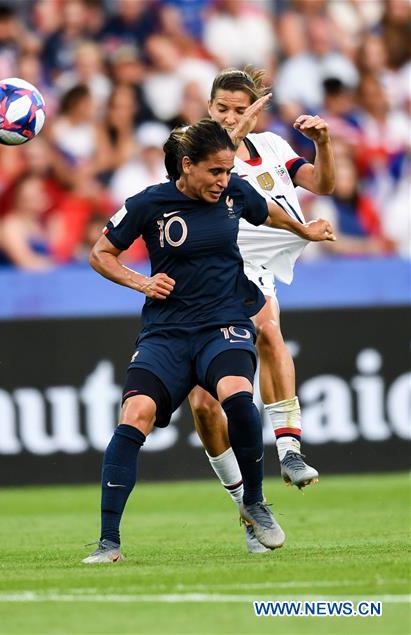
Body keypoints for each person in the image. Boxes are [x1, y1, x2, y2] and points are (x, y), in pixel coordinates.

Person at [82, 118, 334, 564]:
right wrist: (141, 282)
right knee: (134, 414)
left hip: (225, 321)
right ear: (187, 166)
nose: (224, 180)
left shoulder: (235, 192)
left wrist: (303, 229)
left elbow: (267, 209)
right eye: (215, 171)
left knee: (236, 395)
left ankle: (255, 505)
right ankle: (108, 544)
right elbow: (101, 254)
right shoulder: (148, 203)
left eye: (228, 170)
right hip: (167, 331)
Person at [192, 68, 336, 553]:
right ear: (209, 108)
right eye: (223, 109)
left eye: (240, 108)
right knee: (204, 405)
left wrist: (324, 143)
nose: (232, 117)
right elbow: (209, 171)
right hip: (201, 273)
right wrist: (231, 131)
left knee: (269, 330)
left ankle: (290, 450)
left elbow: (323, 184)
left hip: (252, 269)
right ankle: (247, 506)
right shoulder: (191, 147)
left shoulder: (273, 147)